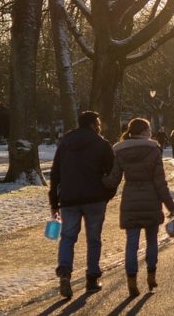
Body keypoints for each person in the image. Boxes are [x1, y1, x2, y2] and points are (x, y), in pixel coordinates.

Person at [103, 118, 174, 297]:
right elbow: (160, 183)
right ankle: (151, 276)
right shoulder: (154, 150)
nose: (151, 132)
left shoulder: (120, 151)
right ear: (144, 131)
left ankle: (131, 280)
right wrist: (171, 206)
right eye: (149, 129)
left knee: (131, 243)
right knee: (152, 241)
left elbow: (113, 179)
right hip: (151, 200)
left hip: (130, 200)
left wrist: (98, 179)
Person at [48, 111, 115, 298]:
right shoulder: (101, 144)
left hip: (69, 198)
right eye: (98, 123)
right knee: (93, 239)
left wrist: (54, 200)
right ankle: (92, 279)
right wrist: (108, 194)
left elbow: (55, 173)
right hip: (95, 198)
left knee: (68, 237)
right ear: (94, 124)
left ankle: (65, 272)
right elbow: (113, 173)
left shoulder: (65, 143)